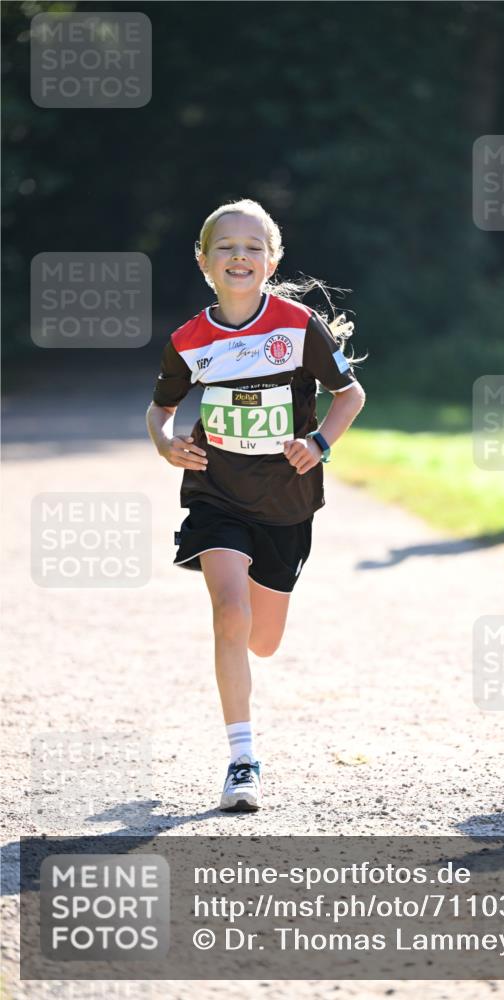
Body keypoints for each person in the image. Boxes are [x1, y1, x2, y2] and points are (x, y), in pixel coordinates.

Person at [146, 199, 366, 811]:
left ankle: (243, 645)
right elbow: (160, 411)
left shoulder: (296, 326)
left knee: (262, 640)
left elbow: (351, 395)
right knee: (229, 612)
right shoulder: (189, 340)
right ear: (203, 262)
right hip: (216, 496)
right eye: (225, 247)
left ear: (271, 261)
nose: (238, 255)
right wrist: (166, 445)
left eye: (252, 246)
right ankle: (242, 760)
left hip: (286, 502)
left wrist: (319, 442)